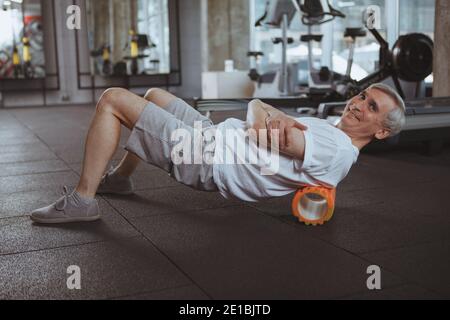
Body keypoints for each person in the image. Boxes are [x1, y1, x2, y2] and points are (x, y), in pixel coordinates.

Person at [30, 83, 405, 224]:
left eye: (371, 108)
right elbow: (268, 125)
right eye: (362, 96)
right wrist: (267, 114)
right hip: (214, 137)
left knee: (112, 99)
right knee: (154, 95)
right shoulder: (331, 134)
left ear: (382, 131)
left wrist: (260, 106)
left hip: (209, 157)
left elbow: (262, 130)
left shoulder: (334, 146)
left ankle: (82, 200)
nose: (358, 105)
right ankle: (122, 179)